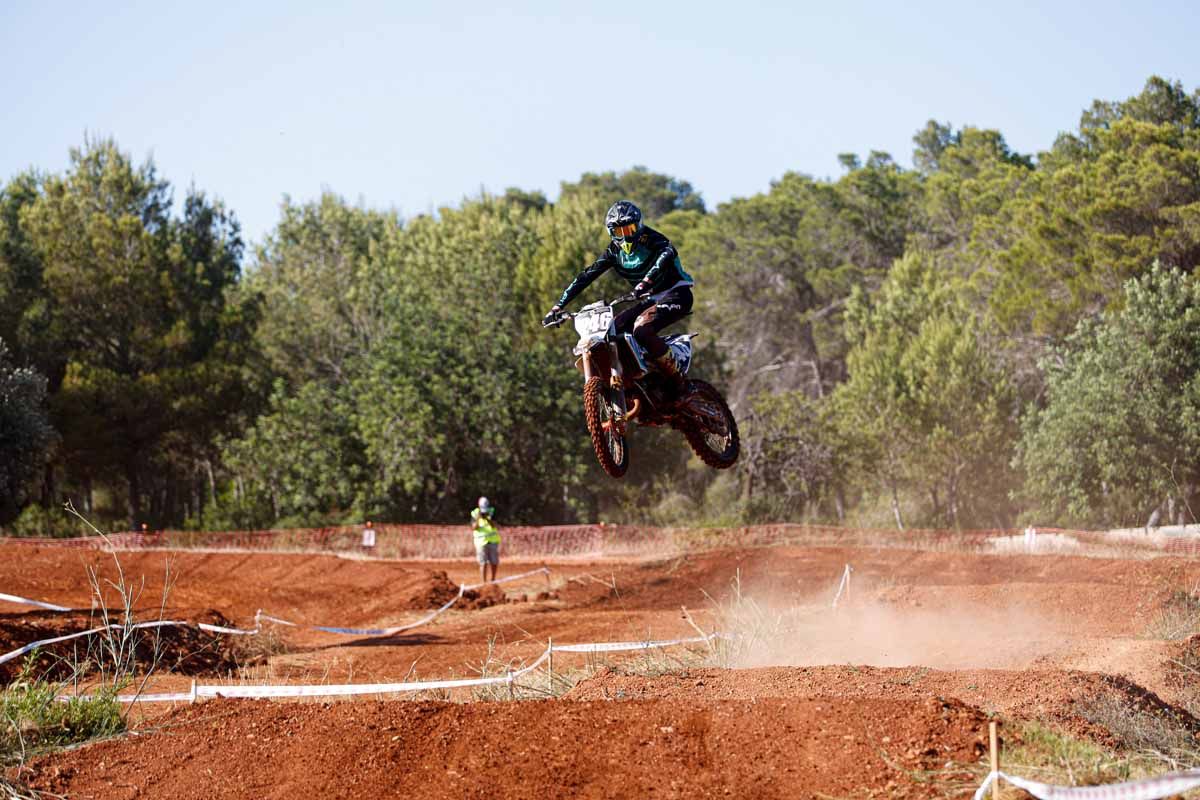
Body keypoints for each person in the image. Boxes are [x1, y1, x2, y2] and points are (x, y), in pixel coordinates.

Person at [543, 200, 695, 390]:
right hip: (650, 298)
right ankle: (641, 376)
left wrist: (645, 282)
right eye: (618, 232)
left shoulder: (654, 239)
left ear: (639, 226)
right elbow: (586, 276)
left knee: (642, 329)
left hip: (677, 293)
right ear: (611, 233)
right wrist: (558, 306)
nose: (625, 237)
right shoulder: (614, 252)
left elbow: (666, 255)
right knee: (612, 329)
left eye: (629, 229)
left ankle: (679, 379)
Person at [470, 497, 500, 583]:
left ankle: (493, 580)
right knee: (483, 562)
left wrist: (488, 518)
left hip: (493, 541)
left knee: (494, 561)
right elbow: (473, 527)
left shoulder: (492, 512)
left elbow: (495, 526)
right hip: (481, 541)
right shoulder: (475, 513)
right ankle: (484, 582)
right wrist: (479, 518)